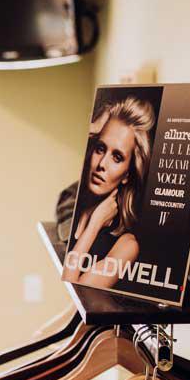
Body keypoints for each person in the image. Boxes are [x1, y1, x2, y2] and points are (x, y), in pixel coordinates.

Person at [62, 95, 154, 289]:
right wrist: (93, 128)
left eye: (117, 157)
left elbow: (75, 295)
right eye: (100, 148)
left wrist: (94, 225)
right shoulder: (71, 206)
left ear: (128, 174)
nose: (102, 164)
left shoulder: (127, 246)